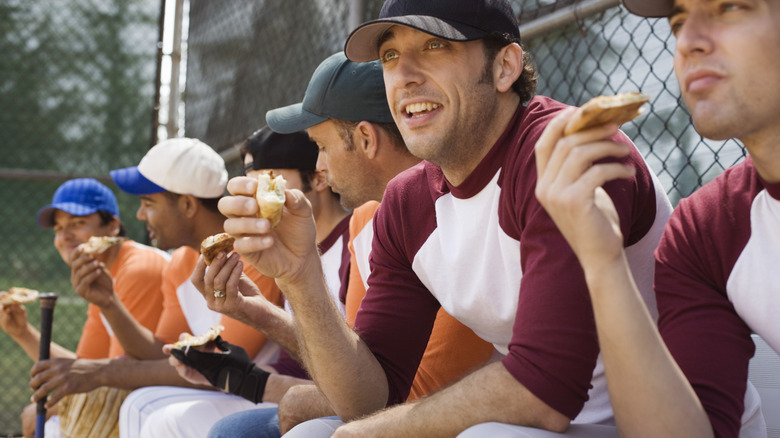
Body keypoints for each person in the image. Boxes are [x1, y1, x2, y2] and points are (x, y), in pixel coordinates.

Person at [217, 0, 673, 436]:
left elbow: (543, 394)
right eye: (391, 56)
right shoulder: (406, 202)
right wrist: (300, 276)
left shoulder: (560, 149)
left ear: (504, 67)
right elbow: (368, 398)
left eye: (436, 46)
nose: (406, 76)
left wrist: (369, 433)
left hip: (657, 421)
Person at [206, 52, 495, 438]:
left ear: (365, 138)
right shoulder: (366, 217)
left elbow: (413, 389)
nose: (319, 167)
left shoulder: (452, 208)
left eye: (321, 147)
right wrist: (262, 308)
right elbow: (359, 362)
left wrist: (277, 389)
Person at [533, 0, 780, 437]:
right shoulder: (703, 231)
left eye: (730, 7)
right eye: (679, 21)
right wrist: (602, 261)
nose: (687, 42)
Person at [24, 138, 283, 438]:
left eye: (149, 203)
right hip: (223, 390)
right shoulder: (181, 261)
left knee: (145, 407)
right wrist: (109, 302)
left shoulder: (251, 251)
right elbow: (159, 351)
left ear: (187, 204)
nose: (139, 215)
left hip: (264, 389)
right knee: (135, 404)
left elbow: (228, 365)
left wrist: (103, 373)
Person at [137, 128, 353, 438]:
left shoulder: (356, 237)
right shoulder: (284, 246)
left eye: (267, 178)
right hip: (303, 391)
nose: (252, 193)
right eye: (248, 179)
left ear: (318, 177)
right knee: (154, 411)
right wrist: (233, 372)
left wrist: (248, 378)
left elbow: (364, 376)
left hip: (350, 407)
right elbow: (299, 362)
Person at [0, 178, 170, 438]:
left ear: (112, 227)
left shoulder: (137, 268)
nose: (64, 236)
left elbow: (117, 373)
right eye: (58, 228)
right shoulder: (99, 272)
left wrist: (49, 407)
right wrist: (22, 332)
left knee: (49, 423)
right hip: (143, 391)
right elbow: (84, 367)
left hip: (170, 392)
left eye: (77, 224)